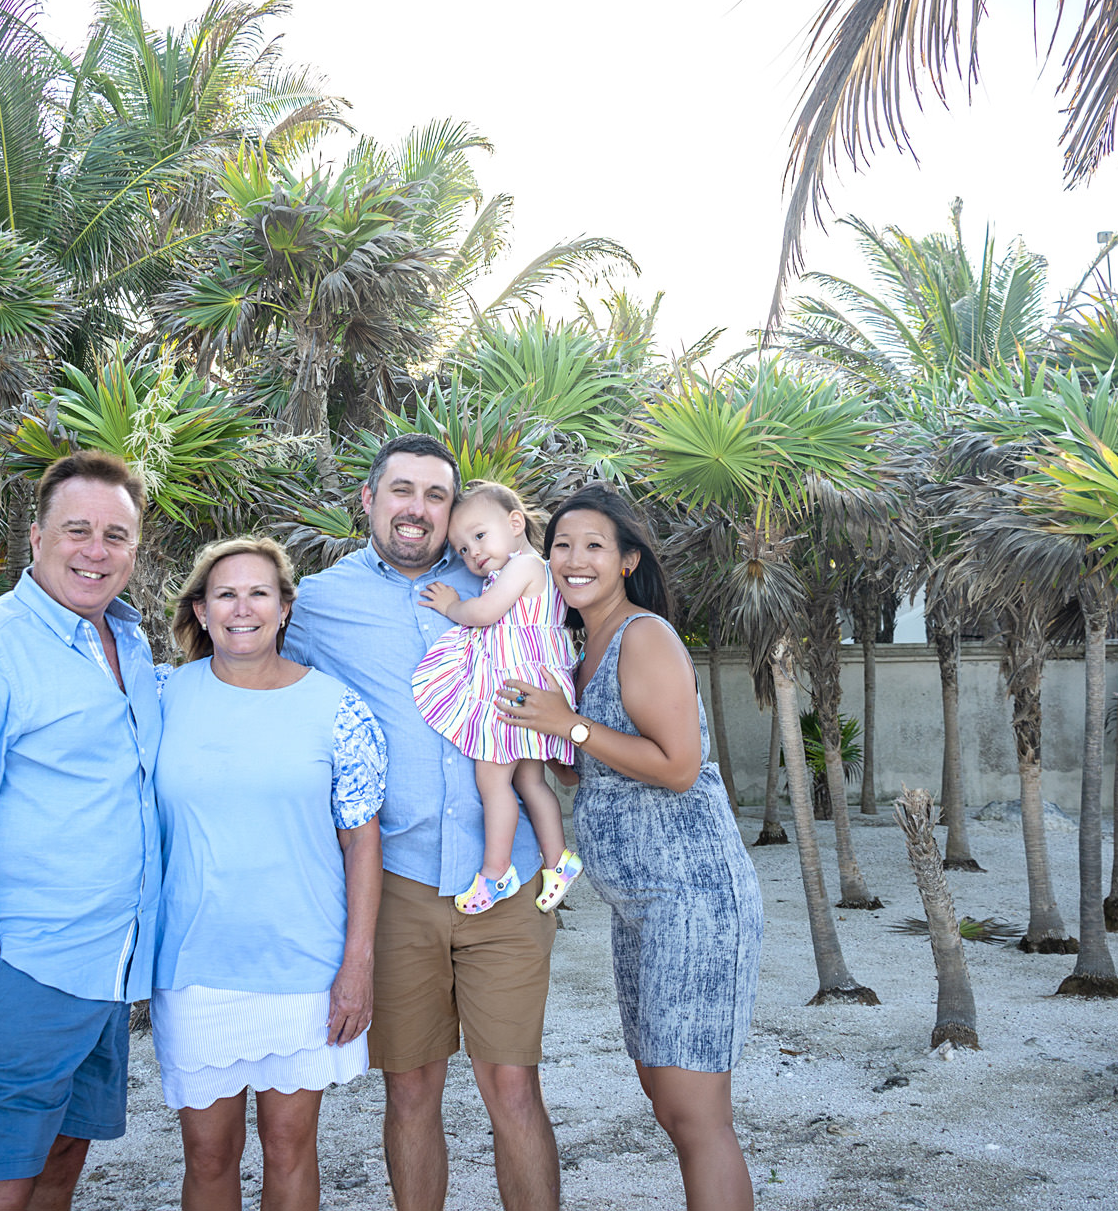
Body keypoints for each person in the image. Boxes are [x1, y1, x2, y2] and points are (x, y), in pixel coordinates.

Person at [283, 434, 560, 1211]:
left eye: (436, 495)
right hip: (396, 884)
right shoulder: (318, 600)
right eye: (401, 490)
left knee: (513, 1086)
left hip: (505, 877)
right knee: (409, 1090)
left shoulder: (494, 577)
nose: (418, 509)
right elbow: (258, 681)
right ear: (368, 500)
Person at [0, 451, 162, 1211]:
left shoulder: (131, 645)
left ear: (135, 550)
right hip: (21, 971)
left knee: (60, 1163)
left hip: (103, 970)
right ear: (36, 535)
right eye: (77, 529)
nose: (96, 549)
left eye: (116, 535)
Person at [498, 484, 763, 1211]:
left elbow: (678, 765)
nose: (573, 559)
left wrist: (569, 725)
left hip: (693, 900)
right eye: (560, 545)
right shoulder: (583, 651)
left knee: (696, 1114)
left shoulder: (644, 635)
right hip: (638, 910)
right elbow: (604, 762)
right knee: (664, 1097)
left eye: (593, 546)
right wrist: (546, 736)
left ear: (627, 561)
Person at [150, 536, 385, 1211]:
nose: (242, 607)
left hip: (303, 968)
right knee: (210, 1154)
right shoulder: (163, 697)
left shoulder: (337, 708)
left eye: (260, 592)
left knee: (289, 1147)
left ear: (285, 608)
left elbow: (362, 843)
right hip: (194, 967)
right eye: (225, 593)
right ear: (200, 609)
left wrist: (356, 965)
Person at [410, 479, 582, 915]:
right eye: (463, 549)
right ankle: (557, 859)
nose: (473, 553)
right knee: (527, 780)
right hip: (532, 691)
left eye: (479, 536)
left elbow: (483, 615)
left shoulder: (524, 567)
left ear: (515, 522)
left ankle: (495, 870)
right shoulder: (527, 571)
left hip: (514, 694)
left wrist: (451, 606)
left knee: (492, 780)